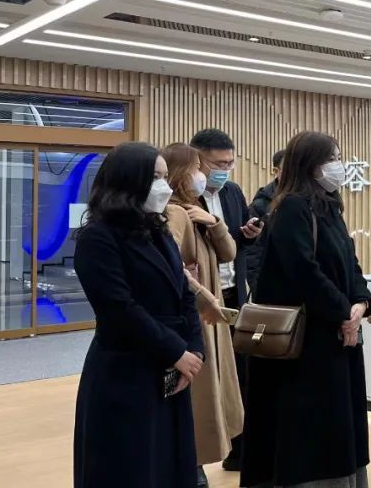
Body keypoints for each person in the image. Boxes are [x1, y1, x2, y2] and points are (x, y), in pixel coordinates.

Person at [240, 131, 371, 488]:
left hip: (335, 335)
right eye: (332, 159)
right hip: (307, 342)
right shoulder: (292, 207)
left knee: (339, 423)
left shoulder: (329, 206)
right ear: (310, 165)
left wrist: (361, 303)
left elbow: (350, 262)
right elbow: (304, 272)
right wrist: (343, 313)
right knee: (311, 430)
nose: (339, 166)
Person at [73, 142, 204, 487]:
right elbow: (119, 308)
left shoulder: (159, 231)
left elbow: (184, 294)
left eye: (165, 176)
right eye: (155, 177)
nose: (164, 186)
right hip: (126, 369)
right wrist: (176, 351)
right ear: (129, 182)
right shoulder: (97, 238)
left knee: (169, 464)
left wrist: (194, 350)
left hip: (172, 367)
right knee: (129, 467)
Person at [162, 143, 245, 487]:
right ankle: (192, 471)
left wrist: (214, 222)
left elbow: (230, 252)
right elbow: (170, 268)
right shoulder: (173, 213)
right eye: (198, 168)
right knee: (196, 404)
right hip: (195, 320)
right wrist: (203, 295)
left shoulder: (197, 209)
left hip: (210, 319)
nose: (203, 175)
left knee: (212, 400)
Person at [189, 128, 262, 471]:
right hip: (203, 298)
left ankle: (239, 451)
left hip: (233, 293)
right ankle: (199, 455)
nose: (225, 170)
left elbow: (235, 243)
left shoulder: (232, 192)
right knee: (205, 377)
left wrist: (250, 235)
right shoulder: (186, 196)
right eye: (218, 164)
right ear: (197, 159)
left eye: (230, 163)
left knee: (239, 375)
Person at [246, 149, 284, 290]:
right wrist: (258, 288)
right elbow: (253, 252)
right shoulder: (261, 206)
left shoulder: (310, 200)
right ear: (276, 171)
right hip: (274, 287)